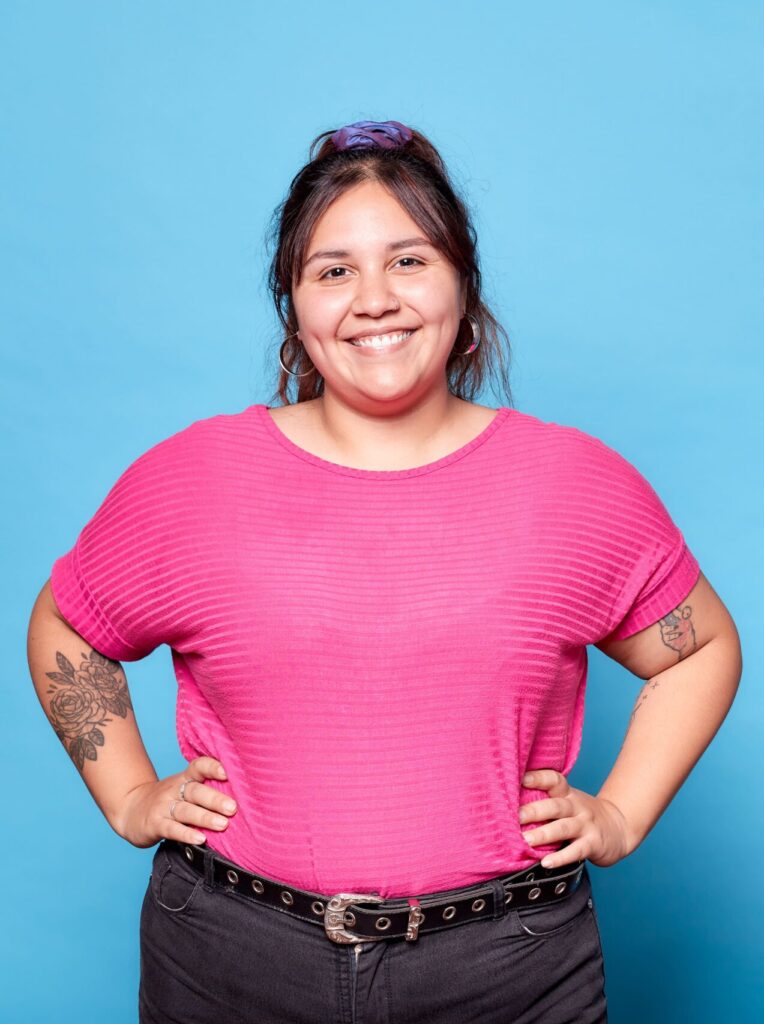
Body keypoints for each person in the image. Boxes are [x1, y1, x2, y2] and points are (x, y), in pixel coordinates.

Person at [27, 119, 742, 1024]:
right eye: (334, 270)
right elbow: (70, 628)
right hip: (230, 958)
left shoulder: (575, 486)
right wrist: (129, 793)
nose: (374, 299)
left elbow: (699, 648)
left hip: (507, 966)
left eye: (409, 260)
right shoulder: (192, 481)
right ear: (294, 306)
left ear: (463, 287)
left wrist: (624, 813)